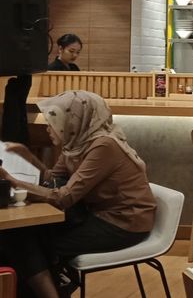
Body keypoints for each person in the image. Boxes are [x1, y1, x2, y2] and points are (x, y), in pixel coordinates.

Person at [0, 90, 157, 298]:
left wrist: (12, 181)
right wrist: (28, 156)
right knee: (24, 235)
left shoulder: (103, 145)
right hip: (97, 214)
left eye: (53, 121)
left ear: (74, 121)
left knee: (28, 241)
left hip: (123, 224)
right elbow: (52, 178)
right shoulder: (76, 144)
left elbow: (63, 197)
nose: (48, 127)